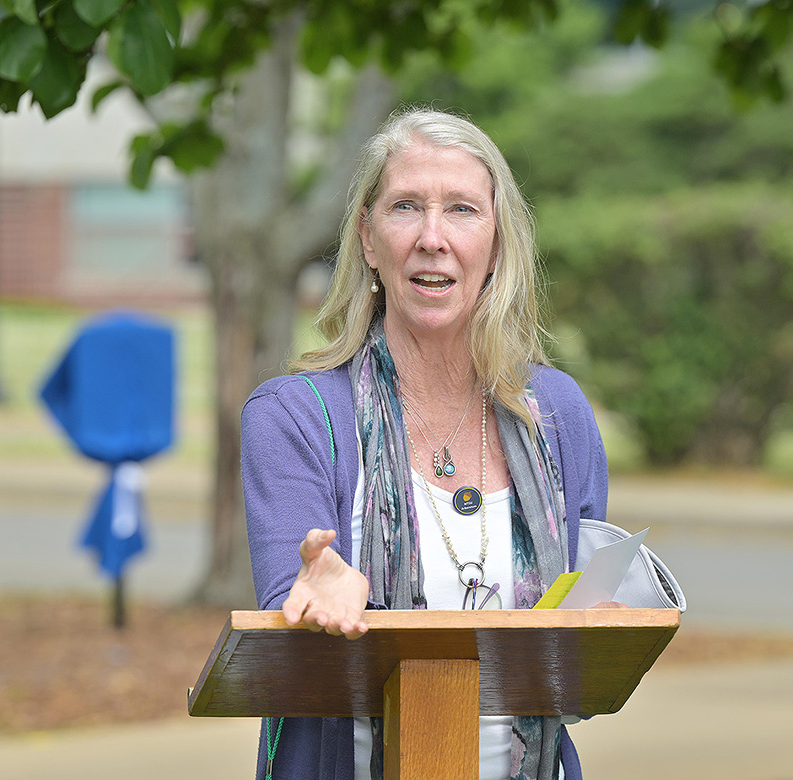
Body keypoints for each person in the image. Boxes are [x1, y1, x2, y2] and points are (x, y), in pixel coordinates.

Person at [241, 107, 612, 780]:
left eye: (463, 210)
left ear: (497, 243)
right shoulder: (293, 417)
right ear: (369, 239)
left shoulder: (557, 414)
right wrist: (313, 598)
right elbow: (284, 621)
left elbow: (579, 634)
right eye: (406, 207)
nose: (432, 238)